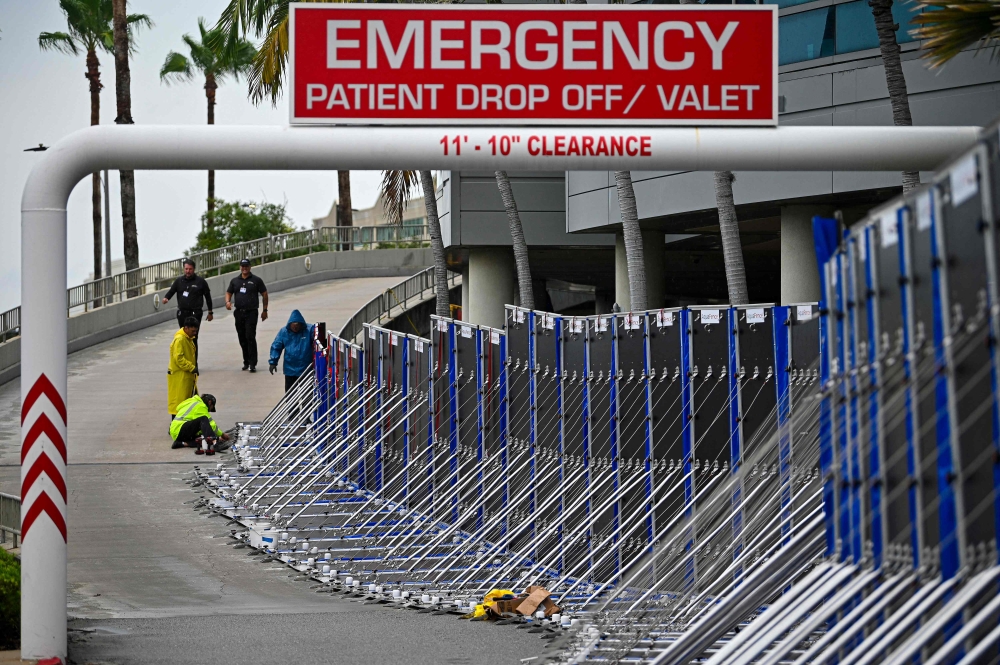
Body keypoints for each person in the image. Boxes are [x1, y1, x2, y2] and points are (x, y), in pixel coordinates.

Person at [226, 259, 268, 372]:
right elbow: (229, 292)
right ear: (240, 267)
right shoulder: (235, 281)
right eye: (242, 266)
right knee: (242, 338)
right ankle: (246, 361)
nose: (244, 268)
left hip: (251, 312)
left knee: (250, 336)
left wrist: (265, 310)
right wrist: (228, 301)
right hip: (239, 312)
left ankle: (253, 363)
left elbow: (264, 293)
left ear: (250, 267)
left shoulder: (256, 280)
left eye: (246, 266)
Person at [269, 309, 315, 392]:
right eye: (294, 326)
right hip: (290, 369)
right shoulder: (284, 332)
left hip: (305, 368)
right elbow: (276, 346)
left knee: (307, 394)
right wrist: (273, 361)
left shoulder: (309, 330)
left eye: (297, 326)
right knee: (290, 393)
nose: (295, 328)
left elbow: (318, 343)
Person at [162, 259, 214, 329]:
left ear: (194, 269)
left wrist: (210, 312)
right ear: (184, 269)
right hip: (182, 313)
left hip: (195, 313)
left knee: (193, 335)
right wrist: (166, 298)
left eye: (190, 269)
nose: (188, 271)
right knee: (183, 335)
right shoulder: (179, 281)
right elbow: (171, 291)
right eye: (186, 269)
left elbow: (208, 297)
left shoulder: (201, 282)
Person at [168, 318, 199, 421]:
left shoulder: (187, 338)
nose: (194, 333)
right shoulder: (180, 339)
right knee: (179, 402)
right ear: (186, 328)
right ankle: (175, 425)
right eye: (193, 331)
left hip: (185, 375)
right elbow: (179, 358)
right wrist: (191, 367)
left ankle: (181, 424)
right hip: (180, 376)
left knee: (185, 401)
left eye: (196, 331)